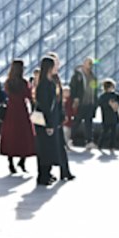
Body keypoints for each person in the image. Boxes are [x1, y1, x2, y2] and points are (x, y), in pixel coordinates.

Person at [34, 53, 74, 186]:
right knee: (46, 148)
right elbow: (47, 106)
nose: (57, 68)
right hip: (47, 121)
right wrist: (50, 124)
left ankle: (46, 175)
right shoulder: (46, 85)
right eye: (54, 66)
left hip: (50, 120)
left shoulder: (47, 83)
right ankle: (43, 176)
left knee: (47, 148)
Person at [0, 59, 35, 174]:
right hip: (21, 111)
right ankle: (22, 160)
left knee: (11, 136)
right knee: (25, 136)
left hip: (11, 111)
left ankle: (10, 162)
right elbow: (29, 96)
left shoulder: (8, 82)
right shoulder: (24, 83)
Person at [69, 57, 97, 146]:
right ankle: (70, 138)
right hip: (80, 103)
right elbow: (72, 88)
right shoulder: (77, 76)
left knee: (89, 123)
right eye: (89, 63)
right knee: (76, 121)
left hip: (90, 103)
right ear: (84, 63)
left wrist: (95, 102)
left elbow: (94, 90)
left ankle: (89, 141)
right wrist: (75, 98)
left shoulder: (93, 77)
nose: (90, 65)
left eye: (91, 63)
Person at [97, 79, 119, 154]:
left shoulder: (114, 95)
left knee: (113, 133)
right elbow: (100, 104)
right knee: (105, 132)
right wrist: (110, 104)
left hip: (111, 117)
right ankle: (101, 144)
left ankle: (111, 146)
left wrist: (116, 104)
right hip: (108, 117)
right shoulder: (104, 96)